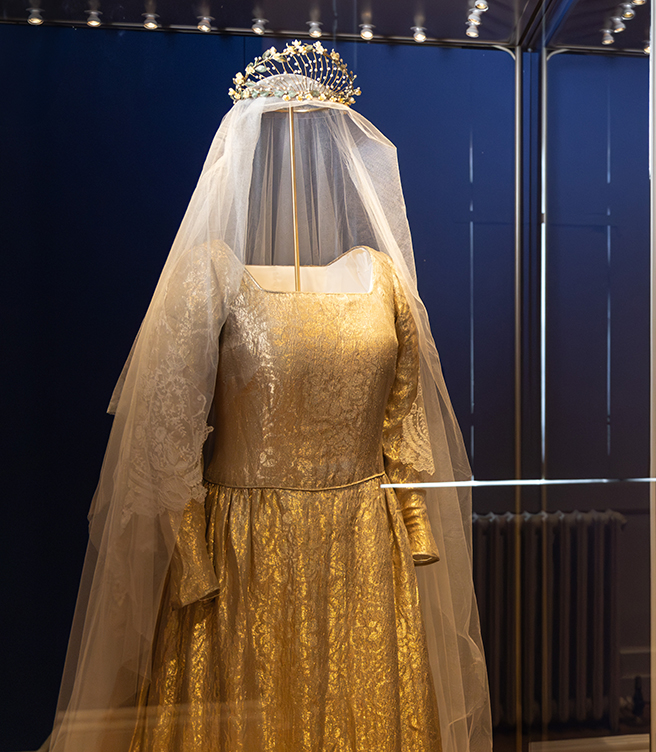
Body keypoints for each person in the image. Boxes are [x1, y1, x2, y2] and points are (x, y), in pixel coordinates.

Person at [47, 43, 490, 752]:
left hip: (363, 549)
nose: (302, 156)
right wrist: (190, 553)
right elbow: (167, 426)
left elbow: (405, 413)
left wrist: (416, 523)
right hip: (242, 549)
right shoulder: (212, 276)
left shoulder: (383, 281)